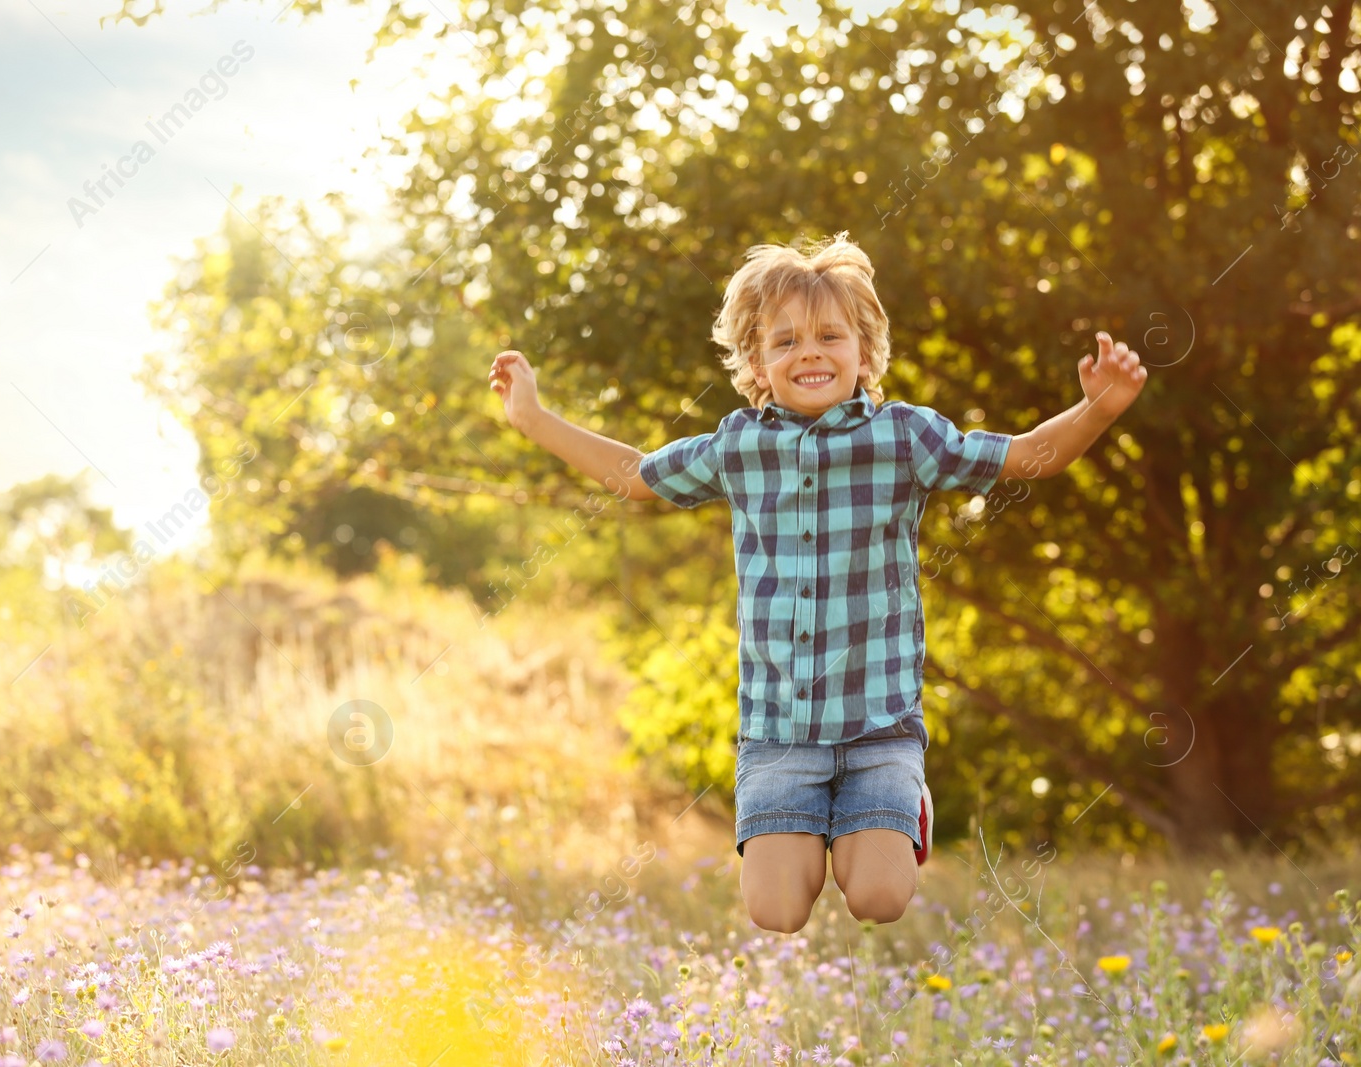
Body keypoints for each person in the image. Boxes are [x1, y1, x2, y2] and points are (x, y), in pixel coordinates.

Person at [486, 232, 1147, 932]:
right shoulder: (739, 444)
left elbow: (1023, 458)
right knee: (775, 910)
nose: (809, 352)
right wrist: (532, 418)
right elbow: (637, 477)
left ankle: (901, 807)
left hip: (878, 729)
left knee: (879, 897)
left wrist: (1098, 410)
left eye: (830, 335)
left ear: (865, 353)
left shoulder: (904, 437)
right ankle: (817, 828)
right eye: (786, 341)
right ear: (757, 363)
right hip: (779, 732)